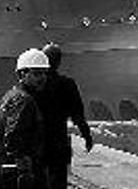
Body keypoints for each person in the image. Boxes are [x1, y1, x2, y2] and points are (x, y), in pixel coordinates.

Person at [35, 43, 93, 189]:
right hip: (58, 140)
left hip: (37, 141)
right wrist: (87, 135)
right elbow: (77, 114)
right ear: (59, 62)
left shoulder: (33, 85)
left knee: (38, 179)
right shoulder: (67, 84)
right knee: (58, 180)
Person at [0, 48, 49, 189]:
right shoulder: (23, 100)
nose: (42, 78)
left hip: (7, 168)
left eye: (44, 73)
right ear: (23, 74)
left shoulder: (11, 95)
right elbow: (13, 137)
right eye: (37, 73)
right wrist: (25, 172)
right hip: (20, 173)